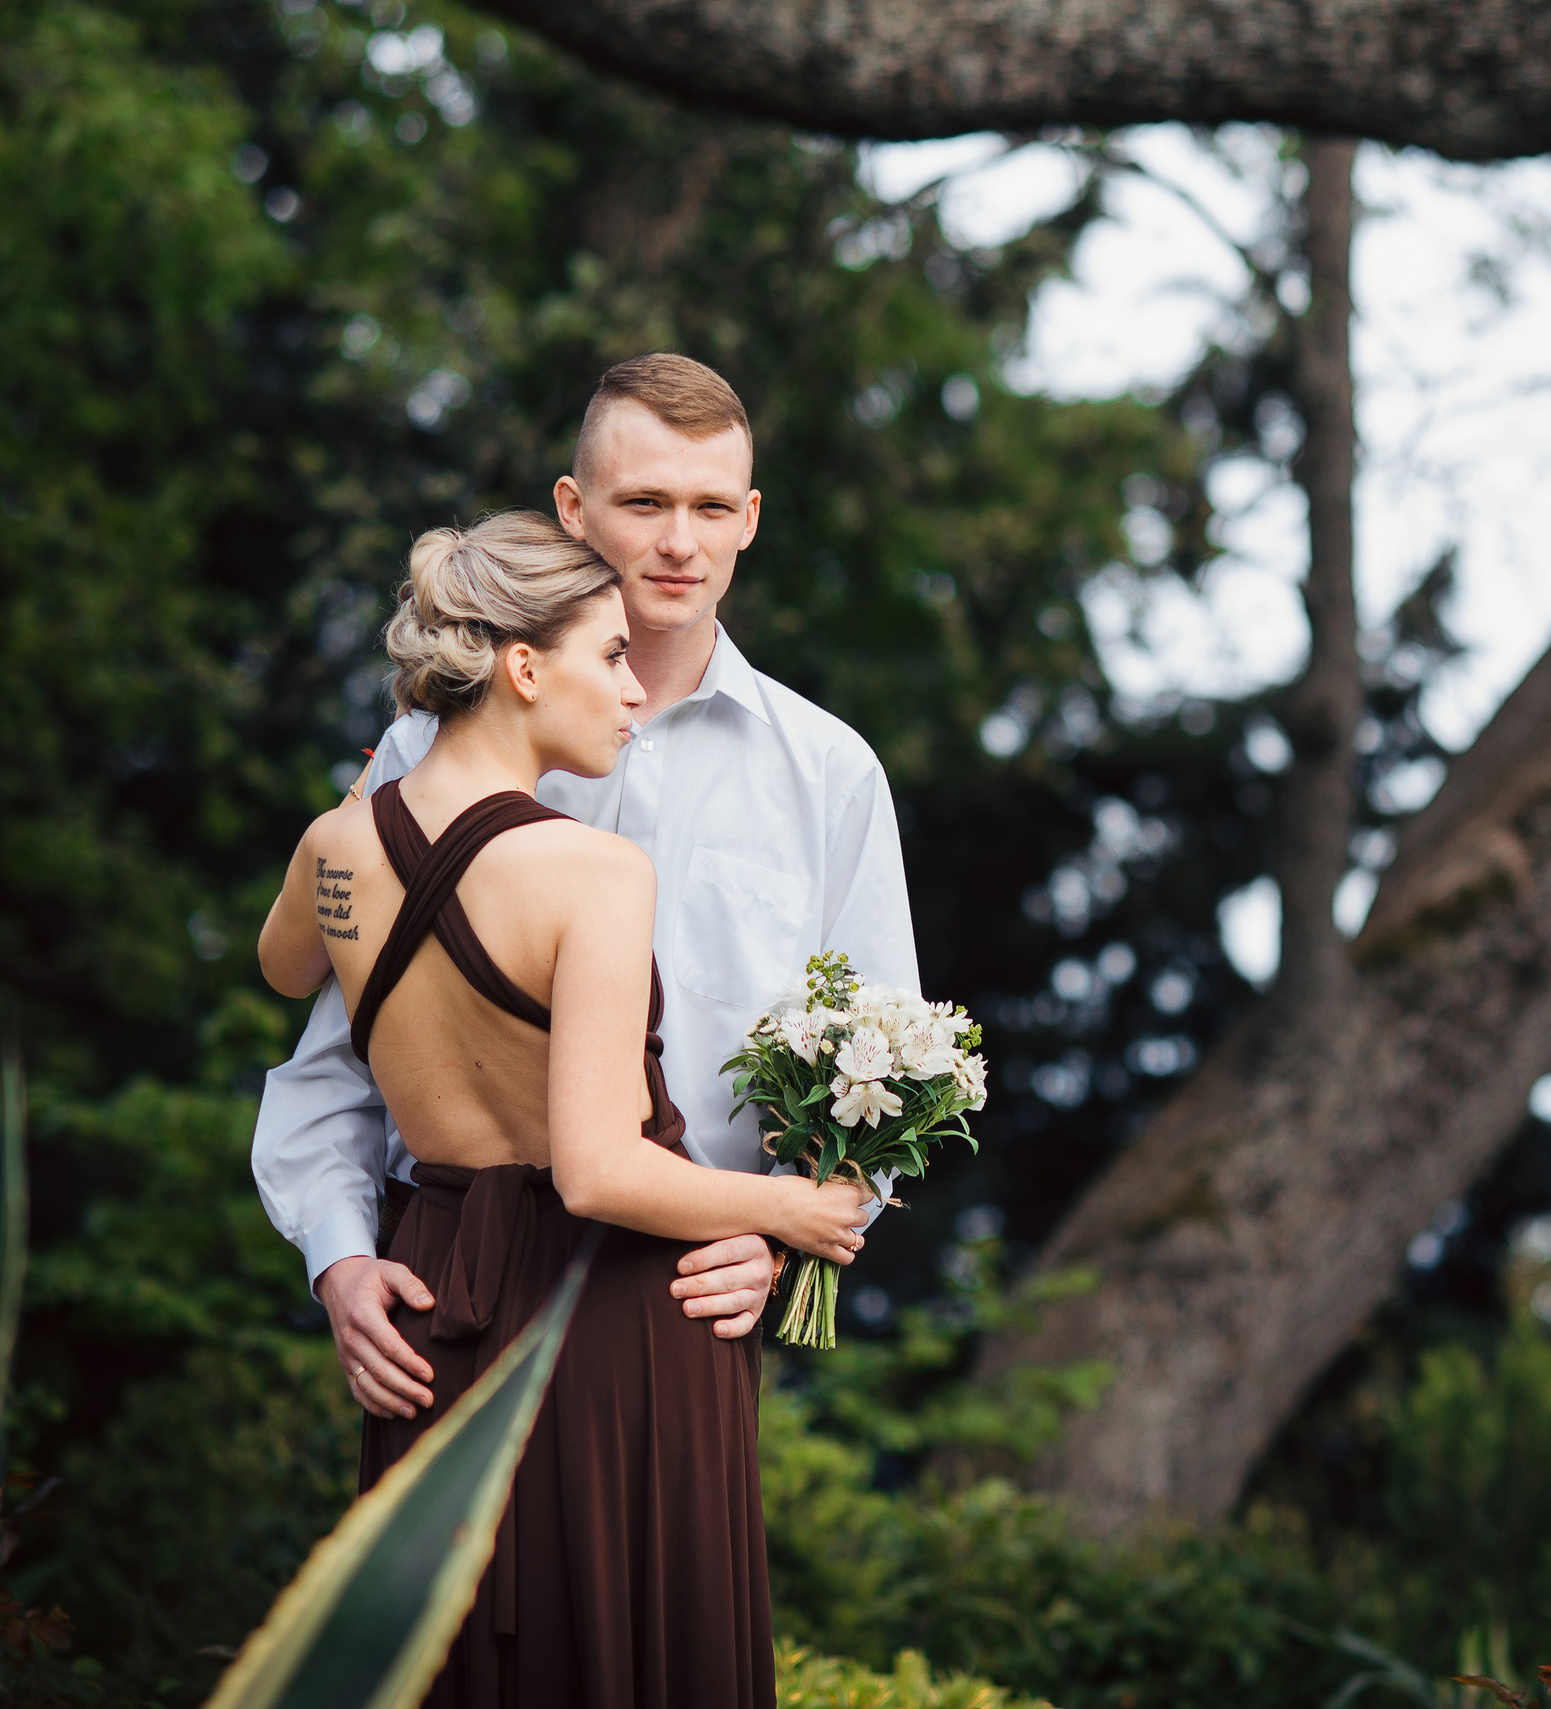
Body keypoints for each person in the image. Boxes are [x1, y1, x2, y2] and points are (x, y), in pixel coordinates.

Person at [259, 511, 873, 1706]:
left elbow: (287, 967)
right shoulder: (593, 870)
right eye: (607, 656)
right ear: (524, 666)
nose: (633, 690)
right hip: (607, 1311)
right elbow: (598, 1170)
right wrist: (800, 1210)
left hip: (429, 1288)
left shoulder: (334, 846)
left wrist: (368, 799)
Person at [251, 354, 921, 1421]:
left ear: (750, 518)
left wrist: (786, 1243)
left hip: (681, 1306)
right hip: (446, 1283)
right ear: (571, 510)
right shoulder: (421, 754)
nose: (678, 542)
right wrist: (337, 1254)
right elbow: (338, 1043)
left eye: (710, 507)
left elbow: (880, 1076)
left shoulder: (830, 775)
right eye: (644, 501)